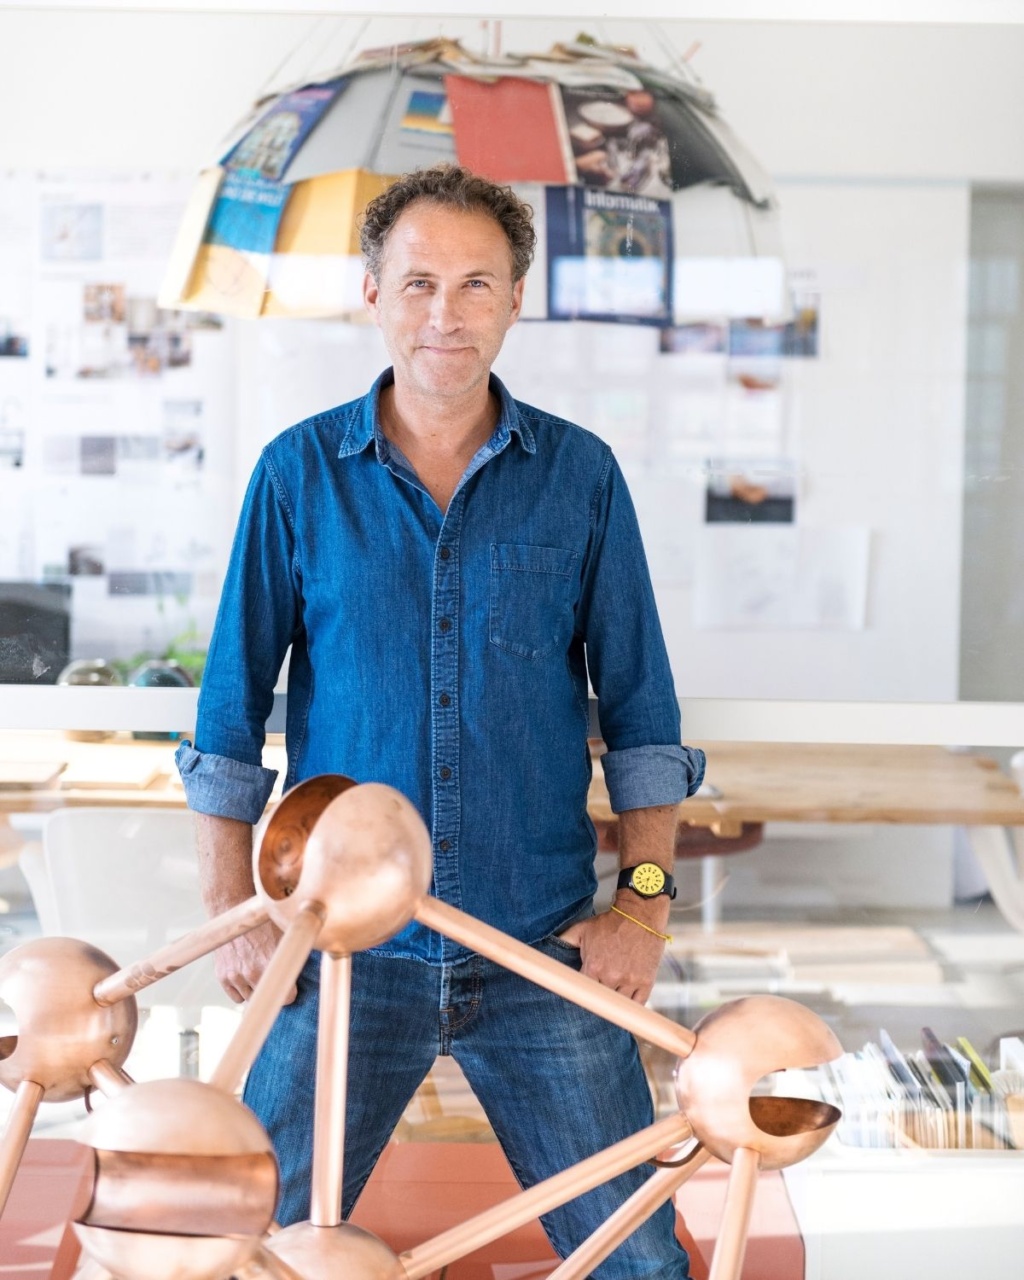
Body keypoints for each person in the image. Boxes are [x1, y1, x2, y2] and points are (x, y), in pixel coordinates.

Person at [176, 164, 705, 1278]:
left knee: (638, 1260)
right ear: (371, 294)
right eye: (417, 283)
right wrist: (232, 903)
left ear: (515, 301)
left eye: (475, 284)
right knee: (239, 1246)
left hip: (539, 950)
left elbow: (643, 716)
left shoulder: (582, 478)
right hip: (342, 954)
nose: (445, 315)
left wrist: (643, 908)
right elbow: (230, 713)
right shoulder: (297, 475)